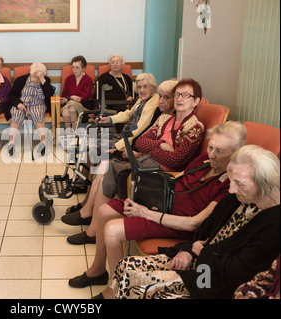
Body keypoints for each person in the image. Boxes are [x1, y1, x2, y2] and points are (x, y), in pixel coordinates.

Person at [68, 121, 247, 292]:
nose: (212, 154)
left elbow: (195, 224)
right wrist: (146, 195)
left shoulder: (229, 185)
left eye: (219, 150)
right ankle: (98, 270)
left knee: (112, 231)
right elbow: (177, 178)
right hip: (161, 204)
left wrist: (145, 213)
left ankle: (117, 289)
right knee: (104, 210)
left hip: (176, 222)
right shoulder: (204, 160)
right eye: (210, 147)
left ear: (235, 153)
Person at [108, 145, 280, 299]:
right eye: (231, 180)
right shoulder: (238, 198)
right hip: (201, 263)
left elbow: (236, 273)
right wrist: (190, 250)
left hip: (209, 282)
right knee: (125, 265)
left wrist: (203, 252)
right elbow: (205, 231)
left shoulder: (273, 224)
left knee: (134, 282)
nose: (231, 189)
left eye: (239, 183)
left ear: (264, 183)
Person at [63, 79, 185, 244]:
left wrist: (124, 148)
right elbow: (142, 137)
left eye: (167, 97)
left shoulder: (159, 109)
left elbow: (140, 133)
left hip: (136, 151)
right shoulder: (161, 115)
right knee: (95, 151)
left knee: (104, 163)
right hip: (135, 148)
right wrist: (113, 122)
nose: (161, 101)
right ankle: (87, 206)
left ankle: (89, 217)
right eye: (139, 87)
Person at [7, 62, 55, 156]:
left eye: (39, 75)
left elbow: (50, 93)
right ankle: (11, 143)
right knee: (17, 113)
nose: (35, 78)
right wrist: (18, 104)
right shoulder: (20, 80)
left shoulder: (45, 80)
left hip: (38, 104)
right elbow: (12, 95)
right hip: (22, 104)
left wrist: (42, 79)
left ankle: (43, 143)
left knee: (37, 113)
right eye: (34, 75)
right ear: (31, 72)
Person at [60, 55, 94, 130]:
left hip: (83, 105)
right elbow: (64, 94)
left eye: (77, 67)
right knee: (66, 111)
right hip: (69, 103)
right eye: (73, 67)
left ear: (83, 68)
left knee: (72, 107)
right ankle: (69, 133)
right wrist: (71, 98)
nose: (74, 70)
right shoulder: (69, 79)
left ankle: (74, 130)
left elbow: (85, 97)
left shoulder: (88, 80)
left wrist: (70, 98)